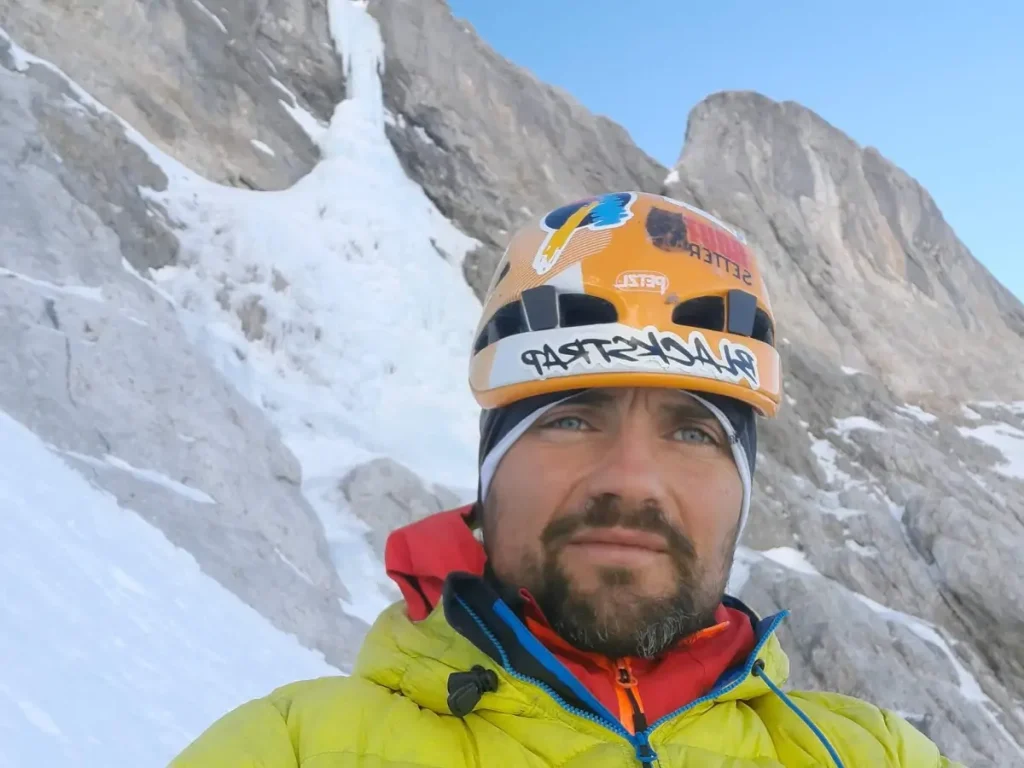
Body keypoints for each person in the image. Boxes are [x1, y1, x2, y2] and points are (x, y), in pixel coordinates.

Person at [170, 191, 962, 767]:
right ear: (490, 473)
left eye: (693, 432)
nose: (632, 480)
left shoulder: (875, 756)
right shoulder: (291, 749)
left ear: (743, 493)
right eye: (572, 420)